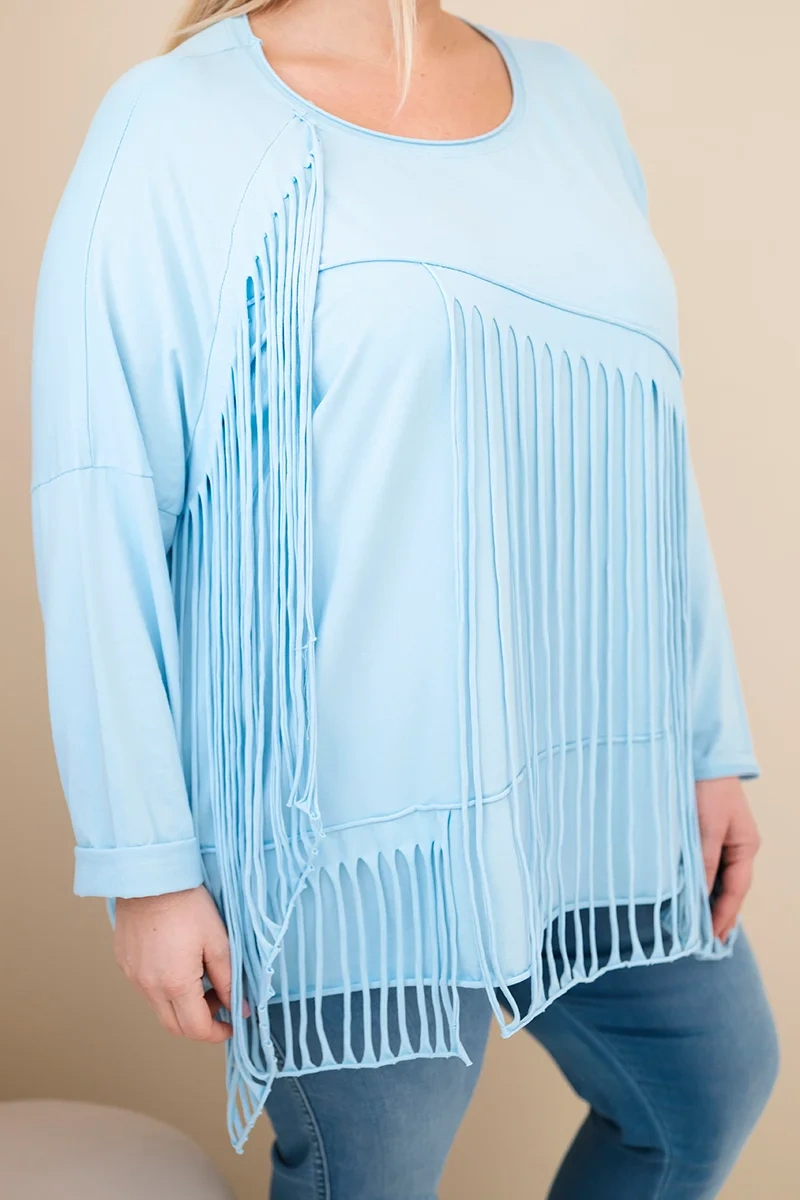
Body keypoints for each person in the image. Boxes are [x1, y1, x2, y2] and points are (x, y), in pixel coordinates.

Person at [30, 2, 778, 1196]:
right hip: (346, 827)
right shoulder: (177, 122)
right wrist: (147, 865)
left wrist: (702, 743)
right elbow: (97, 495)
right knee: (375, 1174)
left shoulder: (571, 104)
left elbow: (646, 443)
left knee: (705, 1084)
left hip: (587, 781)